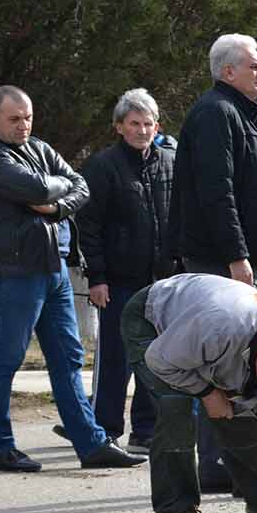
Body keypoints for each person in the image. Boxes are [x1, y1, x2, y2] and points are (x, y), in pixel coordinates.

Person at [0, 85, 146, 473]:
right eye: (14, 119)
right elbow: (39, 186)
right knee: (7, 359)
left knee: (68, 358)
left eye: (27, 117)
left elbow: (79, 186)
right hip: (14, 272)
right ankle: (0, 446)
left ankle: (92, 444)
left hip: (53, 267)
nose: (23, 125)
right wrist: (50, 190)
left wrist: (54, 205)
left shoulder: (39, 148)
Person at [171, 34, 257, 491]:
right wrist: (236, 256)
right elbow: (216, 193)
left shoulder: (235, 115)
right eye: (255, 66)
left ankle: (229, 462)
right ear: (228, 72)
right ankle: (218, 465)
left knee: (235, 361)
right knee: (220, 363)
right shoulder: (215, 114)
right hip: (217, 263)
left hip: (230, 260)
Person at [122, 273, 257, 513]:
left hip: (202, 338)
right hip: (154, 322)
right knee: (176, 407)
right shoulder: (220, 328)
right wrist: (207, 392)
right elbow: (158, 360)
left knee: (247, 402)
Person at [74, 89, 177, 454]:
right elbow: (89, 226)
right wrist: (97, 278)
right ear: (119, 126)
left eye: (148, 124)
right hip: (117, 281)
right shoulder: (103, 167)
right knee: (115, 357)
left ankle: (145, 431)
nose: (142, 130)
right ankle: (105, 430)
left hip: (161, 281)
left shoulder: (169, 163)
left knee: (156, 357)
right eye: (134, 123)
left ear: (157, 126)